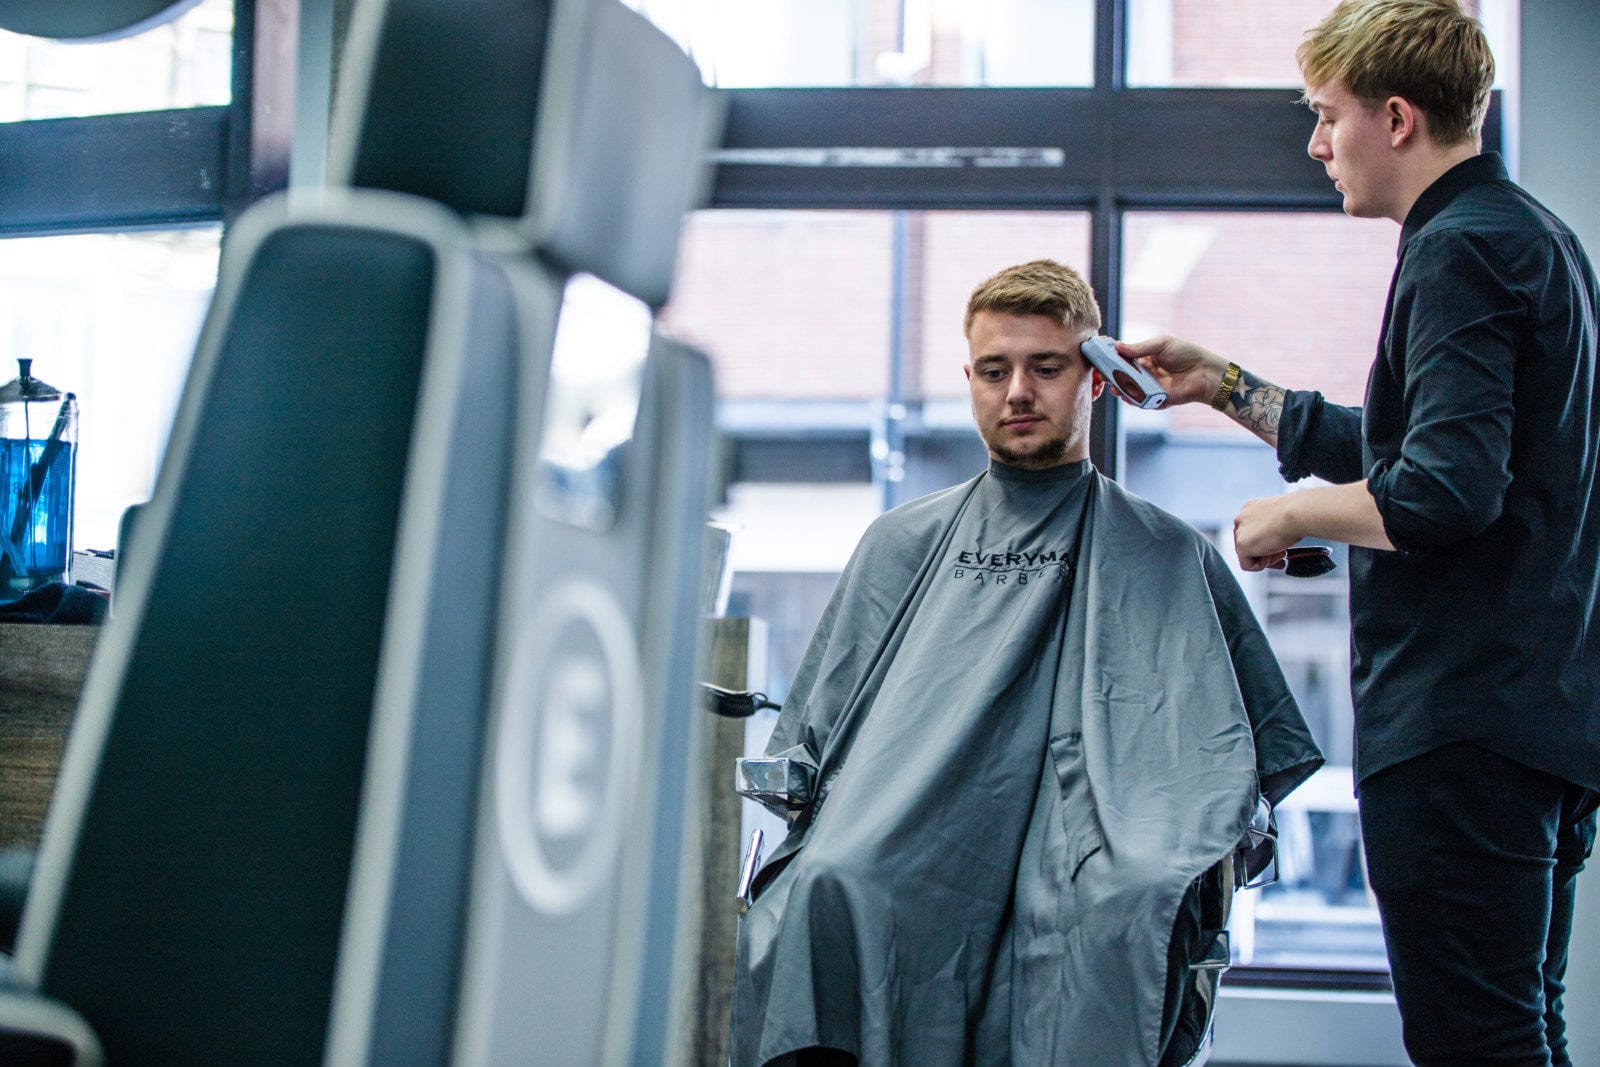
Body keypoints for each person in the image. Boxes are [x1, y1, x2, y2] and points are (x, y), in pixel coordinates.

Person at [1117, 2, 1600, 1063]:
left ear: (1395, 118)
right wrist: (1224, 385)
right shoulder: (1532, 237)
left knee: (1476, 1043)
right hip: (1541, 721)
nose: (1315, 143)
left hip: (1461, 729)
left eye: (1327, 115)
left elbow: (1439, 493)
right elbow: (1409, 449)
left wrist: (1290, 513)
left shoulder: (1457, 253)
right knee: (1525, 1029)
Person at [729, 259, 1322, 1066]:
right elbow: (818, 748)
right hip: (911, 839)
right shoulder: (899, 544)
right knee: (831, 883)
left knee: (1123, 909)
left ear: (1098, 379)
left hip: (1095, 846)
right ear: (969, 379)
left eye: (1046, 368)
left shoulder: (1167, 551)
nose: (1017, 392)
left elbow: (1232, 762)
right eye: (995, 370)